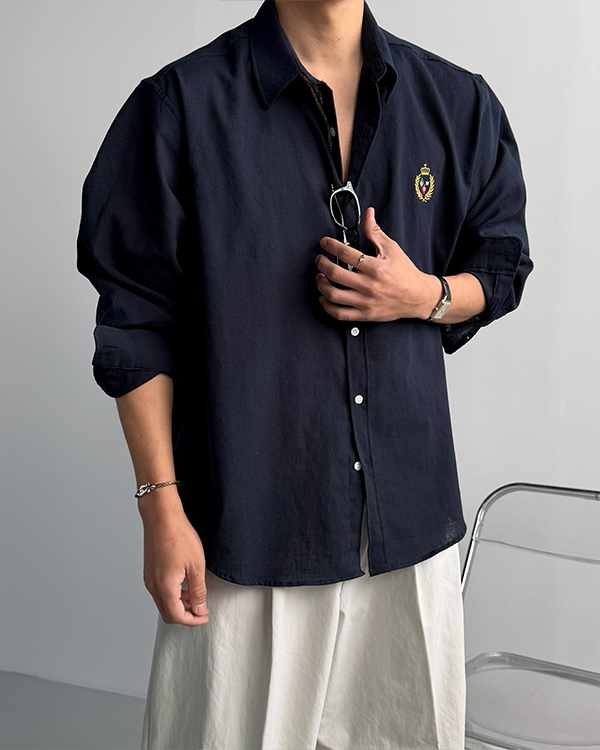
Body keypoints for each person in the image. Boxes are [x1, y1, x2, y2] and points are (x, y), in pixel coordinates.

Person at [76, 0, 533, 747]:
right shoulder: (180, 106)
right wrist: (161, 508)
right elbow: (136, 325)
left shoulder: (457, 102)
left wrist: (425, 295)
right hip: (249, 529)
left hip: (409, 534)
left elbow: (503, 264)